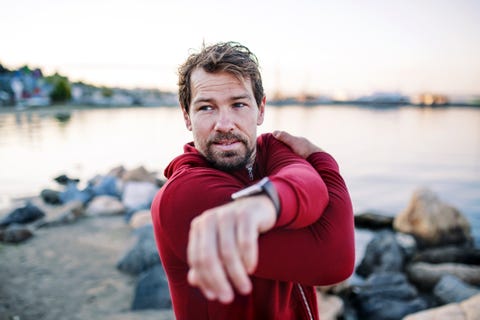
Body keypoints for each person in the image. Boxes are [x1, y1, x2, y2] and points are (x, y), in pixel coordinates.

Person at [151, 41, 355, 320]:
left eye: (238, 104)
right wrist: (323, 161)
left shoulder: (271, 149)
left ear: (260, 110)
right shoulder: (185, 195)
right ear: (187, 116)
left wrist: (267, 202)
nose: (224, 124)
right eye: (206, 108)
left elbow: (308, 181)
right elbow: (335, 261)